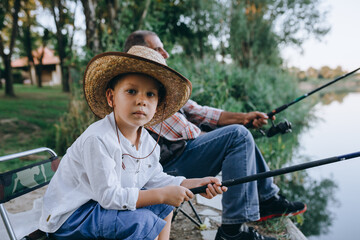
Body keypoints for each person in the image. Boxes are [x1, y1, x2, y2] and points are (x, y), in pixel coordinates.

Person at [124, 30, 307, 240]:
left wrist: (244, 117)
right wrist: (222, 134)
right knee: (236, 136)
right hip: (165, 171)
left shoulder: (159, 85)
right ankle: (232, 232)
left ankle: (267, 199)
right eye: (158, 49)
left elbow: (199, 112)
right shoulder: (141, 92)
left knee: (238, 133)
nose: (165, 53)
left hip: (180, 158)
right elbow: (187, 132)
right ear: (141, 53)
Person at [39, 45, 227, 240]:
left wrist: (195, 184)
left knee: (165, 203)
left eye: (150, 94)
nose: (141, 101)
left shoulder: (145, 139)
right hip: (71, 217)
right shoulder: (98, 139)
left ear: (157, 104)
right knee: (142, 220)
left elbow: (156, 179)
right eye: (131, 91)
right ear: (111, 97)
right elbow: (109, 196)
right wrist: (162, 194)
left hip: (98, 208)